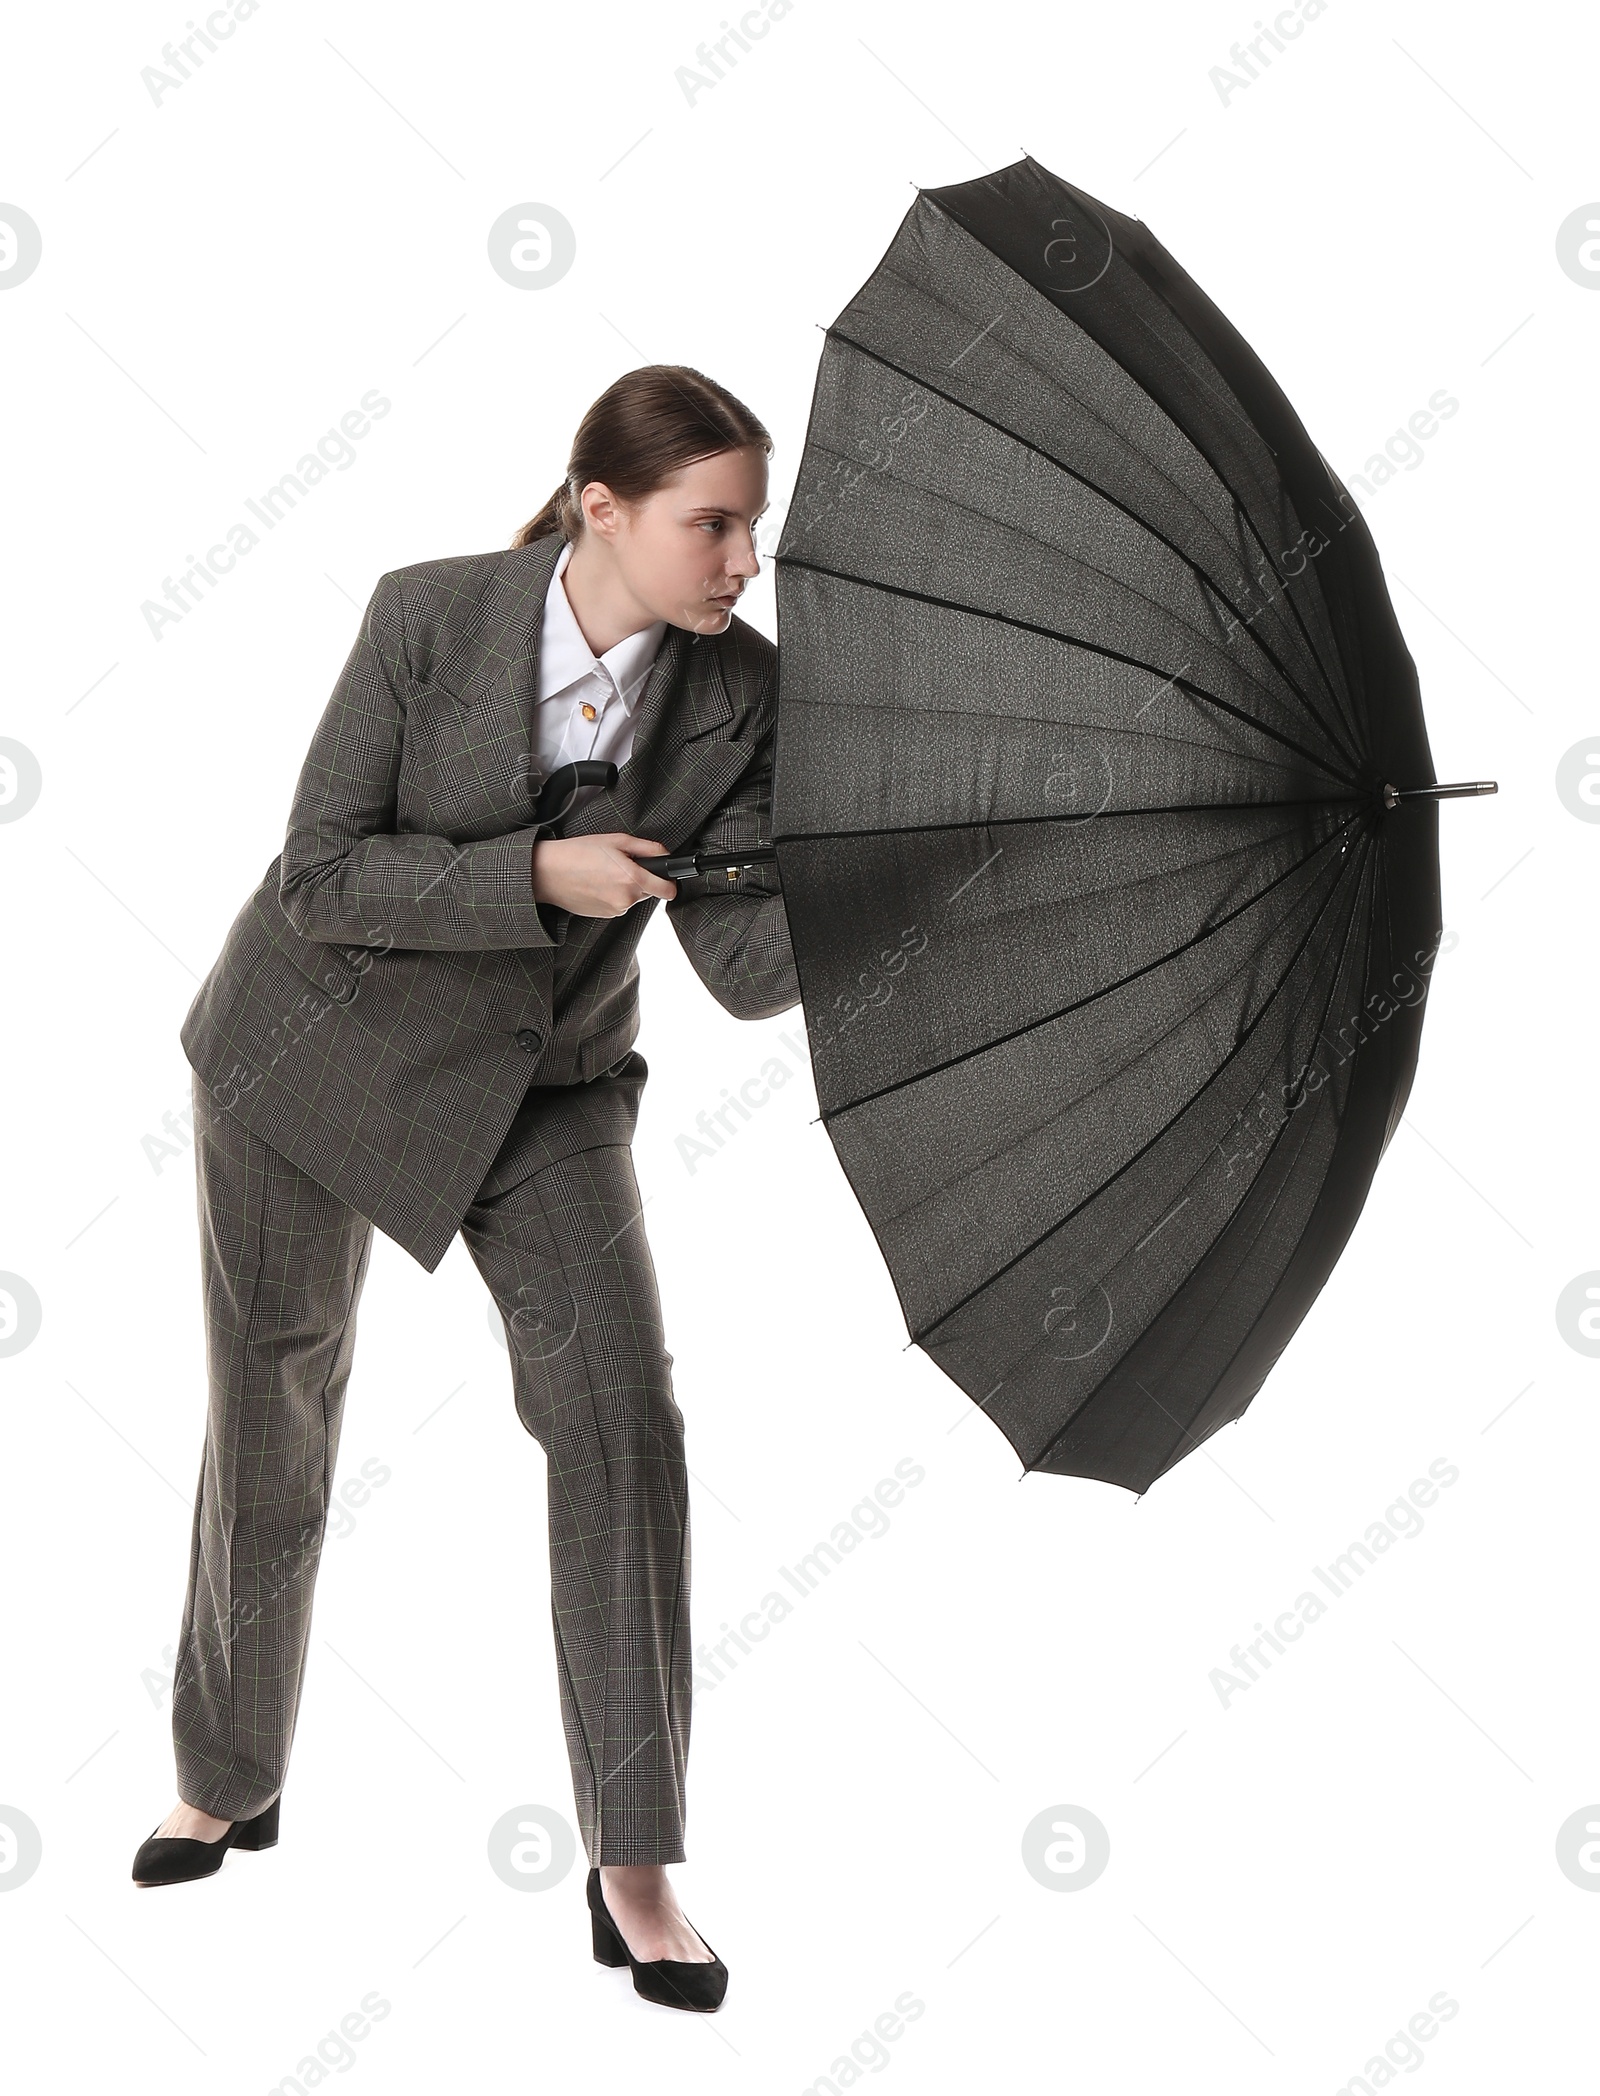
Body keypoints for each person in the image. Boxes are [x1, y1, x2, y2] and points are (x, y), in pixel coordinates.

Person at [129, 365, 799, 2014]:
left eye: (752, 529)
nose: (739, 559)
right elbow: (323, 866)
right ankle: (229, 1772)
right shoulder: (425, 617)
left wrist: (911, 867)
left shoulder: (747, 698)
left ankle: (632, 1862)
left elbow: (746, 961)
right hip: (311, 1047)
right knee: (275, 1398)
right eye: (710, 522)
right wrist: (533, 875)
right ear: (602, 509)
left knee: (622, 1418)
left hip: (543, 1087)